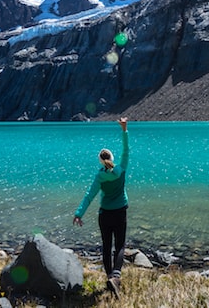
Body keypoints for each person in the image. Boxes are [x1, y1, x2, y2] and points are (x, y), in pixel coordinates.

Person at [73, 117, 129, 298]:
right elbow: (126, 151)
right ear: (112, 158)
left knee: (106, 246)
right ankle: (116, 276)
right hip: (120, 211)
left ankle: (109, 278)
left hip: (105, 214)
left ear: (101, 161)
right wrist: (124, 129)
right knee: (119, 245)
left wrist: (79, 213)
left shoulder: (99, 176)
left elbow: (89, 196)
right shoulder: (121, 169)